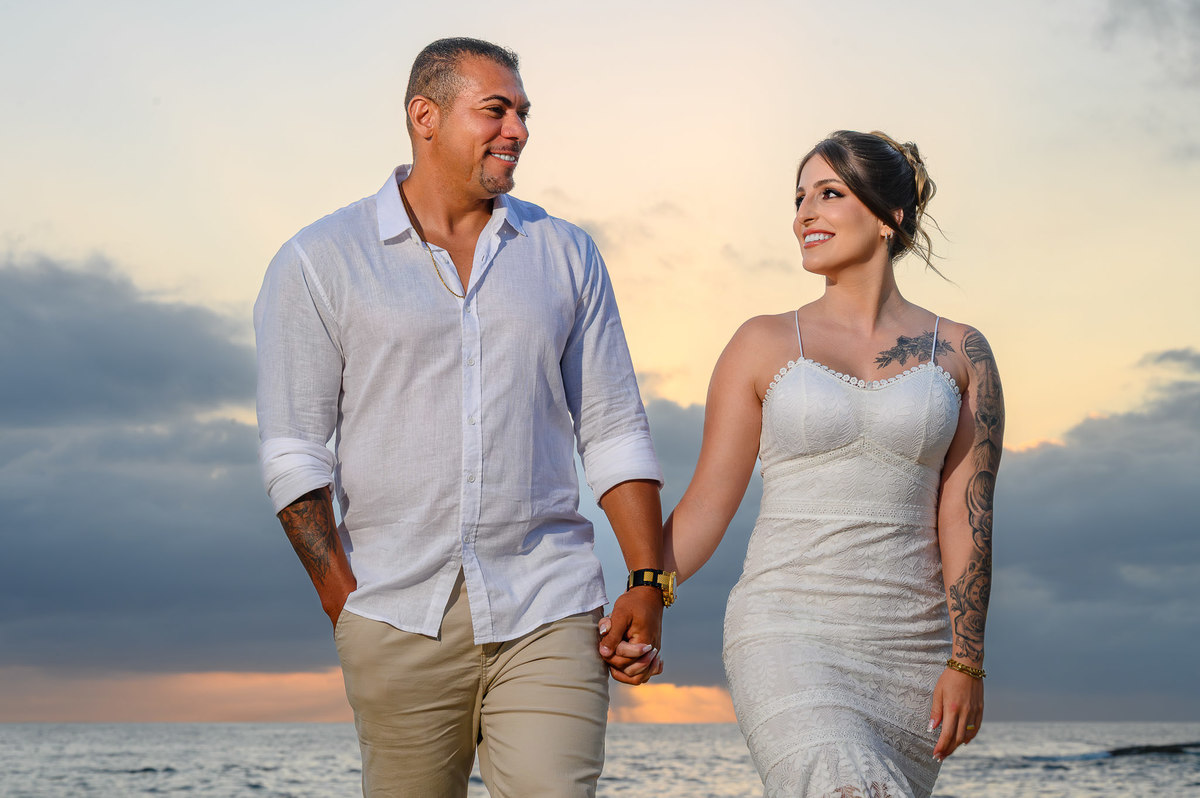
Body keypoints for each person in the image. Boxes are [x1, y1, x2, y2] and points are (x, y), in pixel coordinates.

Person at [254, 37, 669, 797]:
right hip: (395, 614)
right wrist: (349, 608)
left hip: (550, 604)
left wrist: (648, 579)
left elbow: (613, 428)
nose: (517, 130)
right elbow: (294, 455)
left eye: (523, 112)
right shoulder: (320, 260)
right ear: (425, 117)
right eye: (496, 110)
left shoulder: (565, 254)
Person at [610, 130, 1003, 796]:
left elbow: (969, 518)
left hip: (907, 649)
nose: (804, 216)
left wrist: (968, 662)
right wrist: (647, 588)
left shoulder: (964, 353)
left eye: (829, 193)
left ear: (889, 216)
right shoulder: (761, 342)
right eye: (798, 199)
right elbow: (709, 503)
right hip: (783, 629)